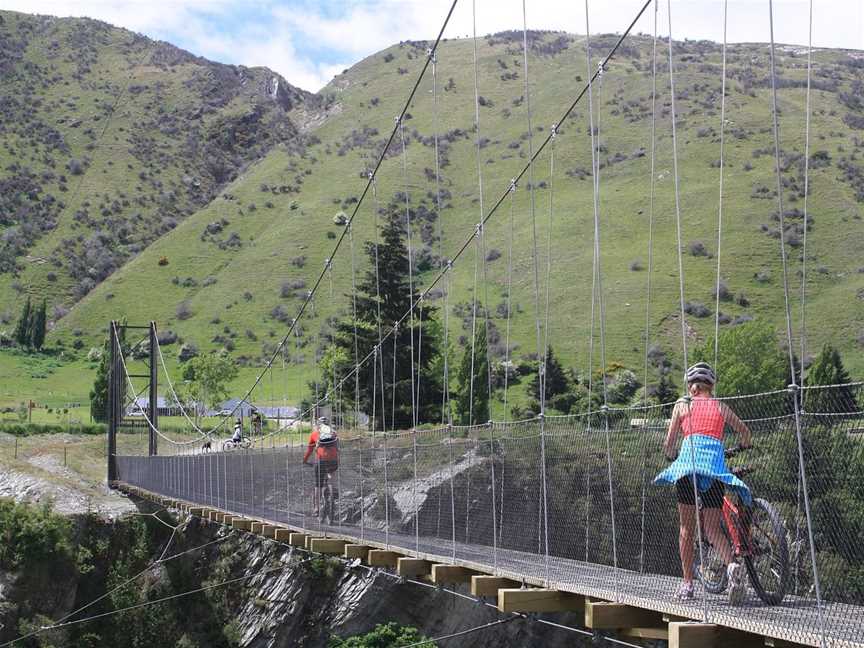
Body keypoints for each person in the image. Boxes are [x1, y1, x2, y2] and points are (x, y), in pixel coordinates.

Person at [654, 362, 753, 605]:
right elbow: (744, 431)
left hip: (688, 468)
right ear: (711, 386)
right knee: (712, 528)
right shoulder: (720, 406)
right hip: (715, 469)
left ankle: (687, 585)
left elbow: (669, 443)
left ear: (691, 386)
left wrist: (671, 455)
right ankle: (732, 567)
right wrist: (744, 444)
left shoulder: (682, 404)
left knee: (686, 530)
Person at [303, 416, 339, 516]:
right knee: (332, 472)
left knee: (318, 484)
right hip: (334, 460)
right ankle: (333, 488)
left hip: (320, 460)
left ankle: (316, 508)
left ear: (318, 425)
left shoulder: (315, 434)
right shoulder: (333, 433)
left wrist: (305, 461)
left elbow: (309, 450)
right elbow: (338, 448)